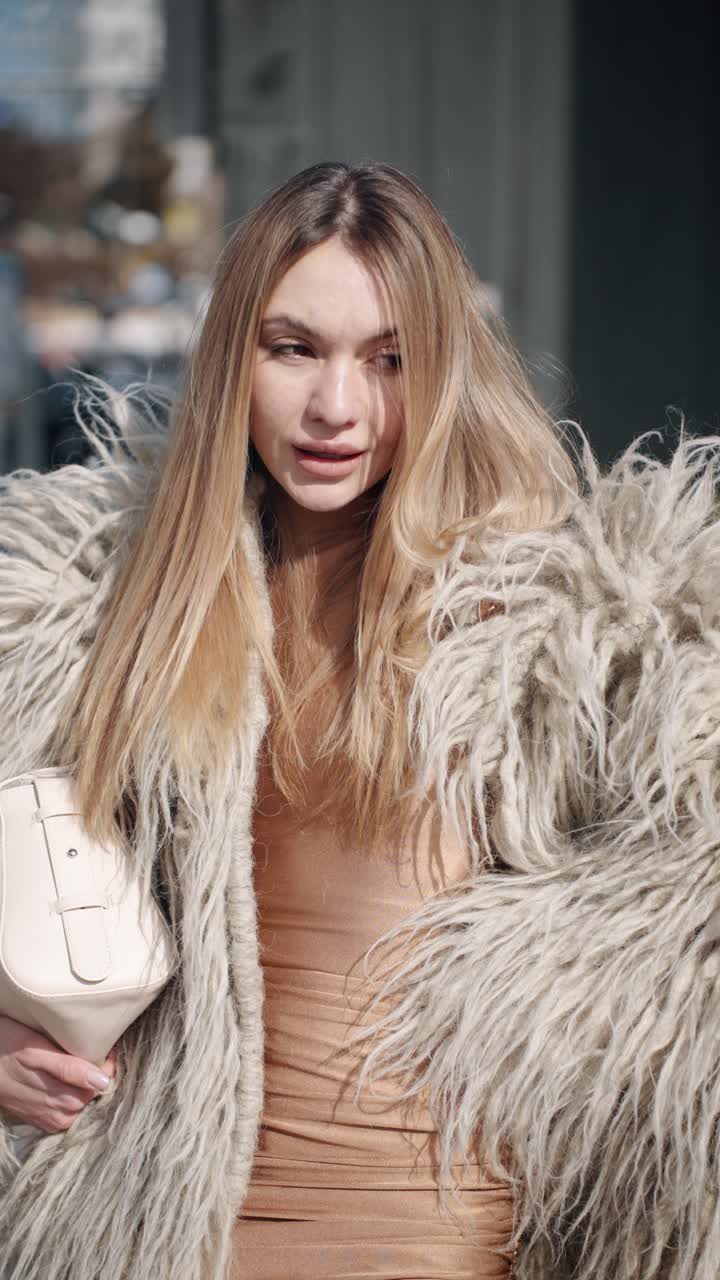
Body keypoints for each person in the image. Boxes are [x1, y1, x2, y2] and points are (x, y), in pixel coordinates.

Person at [0, 161, 718, 1280]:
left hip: (450, 1247)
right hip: (161, 1242)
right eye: (294, 349)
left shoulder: (558, 628)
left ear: (442, 370)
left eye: (388, 359)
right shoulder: (100, 609)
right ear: (234, 354)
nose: (337, 406)